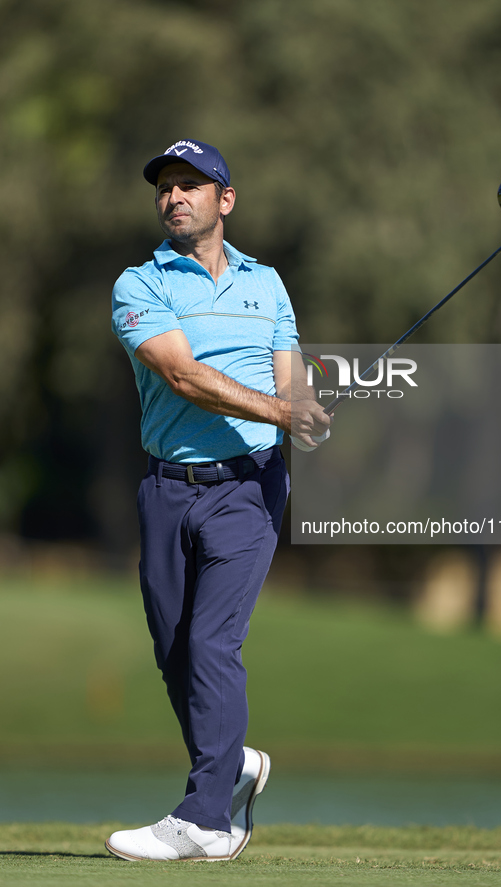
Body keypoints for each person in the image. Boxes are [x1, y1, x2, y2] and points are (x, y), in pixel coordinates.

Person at [105, 139, 331, 862]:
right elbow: (181, 375)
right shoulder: (139, 284)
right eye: (165, 187)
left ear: (223, 200)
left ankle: (204, 818)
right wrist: (280, 409)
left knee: (210, 642)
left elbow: (290, 379)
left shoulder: (267, 284)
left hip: (247, 488)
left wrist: (306, 409)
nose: (174, 196)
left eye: (190, 185)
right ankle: (231, 765)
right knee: (175, 651)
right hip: (166, 488)